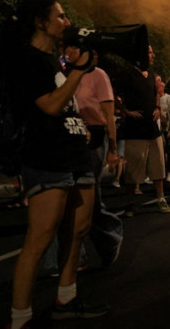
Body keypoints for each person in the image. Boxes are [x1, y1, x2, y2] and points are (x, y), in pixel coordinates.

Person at [3, 0, 108, 327]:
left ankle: (67, 298)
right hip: (47, 156)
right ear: (40, 21)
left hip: (75, 153)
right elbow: (48, 105)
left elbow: (64, 107)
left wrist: (80, 129)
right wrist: (79, 72)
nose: (67, 22)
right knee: (41, 237)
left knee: (77, 231)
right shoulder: (27, 59)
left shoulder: (53, 61)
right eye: (60, 16)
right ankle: (20, 317)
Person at [62, 40, 123, 267]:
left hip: (95, 139)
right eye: (65, 48)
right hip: (71, 137)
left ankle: (109, 239)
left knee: (89, 198)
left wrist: (113, 150)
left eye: (72, 48)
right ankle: (76, 255)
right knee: (70, 197)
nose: (67, 51)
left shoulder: (99, 76)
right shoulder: (64, 73)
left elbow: (108, 116)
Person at [113, 46, 170, 217]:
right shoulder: (127, 74)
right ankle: (130, 204)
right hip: (135, 130)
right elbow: (112, 93)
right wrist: (125, 110)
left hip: (153, 130)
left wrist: (157, 107)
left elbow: (157, 94)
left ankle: (161, 198)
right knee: (133, 170)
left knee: (158, 165)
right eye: (150, 52)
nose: (153, 55)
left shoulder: (151, 75)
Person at [156, 78, 170, 183]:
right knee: (158, 152)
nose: (158, 86)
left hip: (167, 129)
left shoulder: (169, 99)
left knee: (168, 151)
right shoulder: (153, 98)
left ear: (163, 87)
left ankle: (169, 172)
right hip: (156, 129)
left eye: (160, 85)